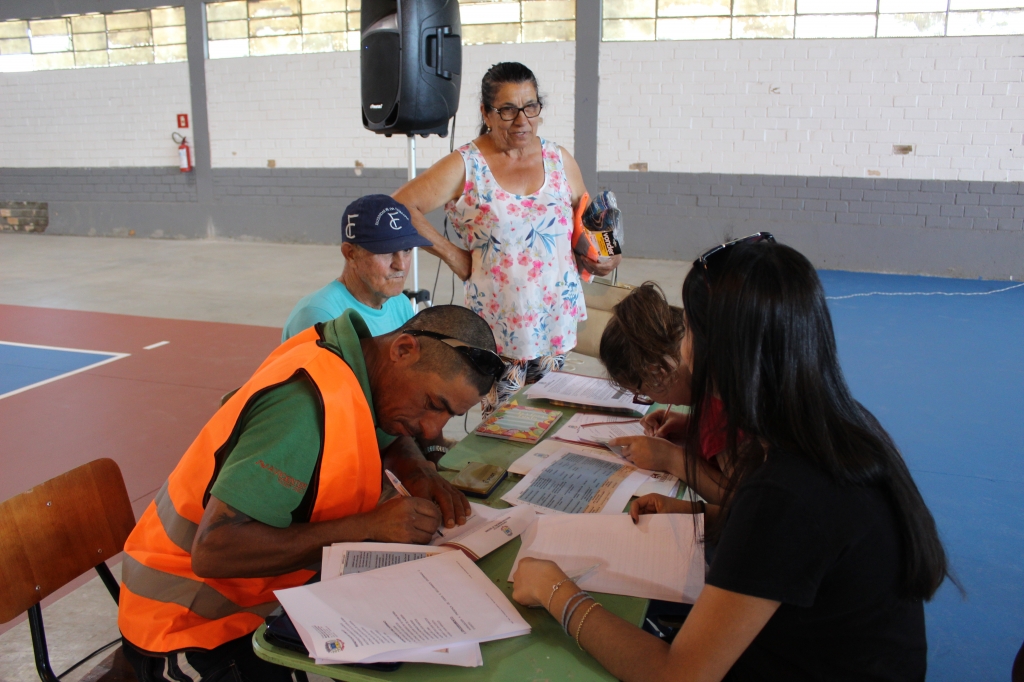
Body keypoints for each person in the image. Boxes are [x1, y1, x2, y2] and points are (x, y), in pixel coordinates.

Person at [513, 239, 955, 681]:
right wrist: (699, 512)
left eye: (687, 330)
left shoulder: (786, 489)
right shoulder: (838, 427)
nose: (681, 343)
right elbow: (792, 547)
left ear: (720, 353)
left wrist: (556, 591)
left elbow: (679, 675)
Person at [118, 305, 504, 681]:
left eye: (448, 415)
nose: (431, 429)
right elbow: (214, 549)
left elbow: (380, 428)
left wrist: (418, 468)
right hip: (189, 626)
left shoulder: (361, 367)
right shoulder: (301, 405)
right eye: (433, 405)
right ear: (403, 350)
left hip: (267, 597)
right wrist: (367, 528)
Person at [393, 61, 621, 414]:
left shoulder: (558, 159)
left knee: (549, 418)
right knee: (504, 425)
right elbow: (400, 206)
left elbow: (592, 216)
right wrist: (454, 256)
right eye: (508, 110)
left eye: (530, 107)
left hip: (554, 323)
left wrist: (609, 255)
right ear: (486, 112)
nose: (522, 120)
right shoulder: (467, 165)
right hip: (499, 329)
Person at [598, 281, 727, 504]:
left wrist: (671, 458)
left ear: (656, 374)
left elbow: (743, 501)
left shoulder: (719, 404)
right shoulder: (712, 387)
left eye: (642, 393)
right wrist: (691, 426)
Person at [282, 194, 431, 341]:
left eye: (407, 250)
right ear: (351, 254)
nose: (401, 265)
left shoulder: (400, 303)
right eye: (386, 251)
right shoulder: (320, 317)